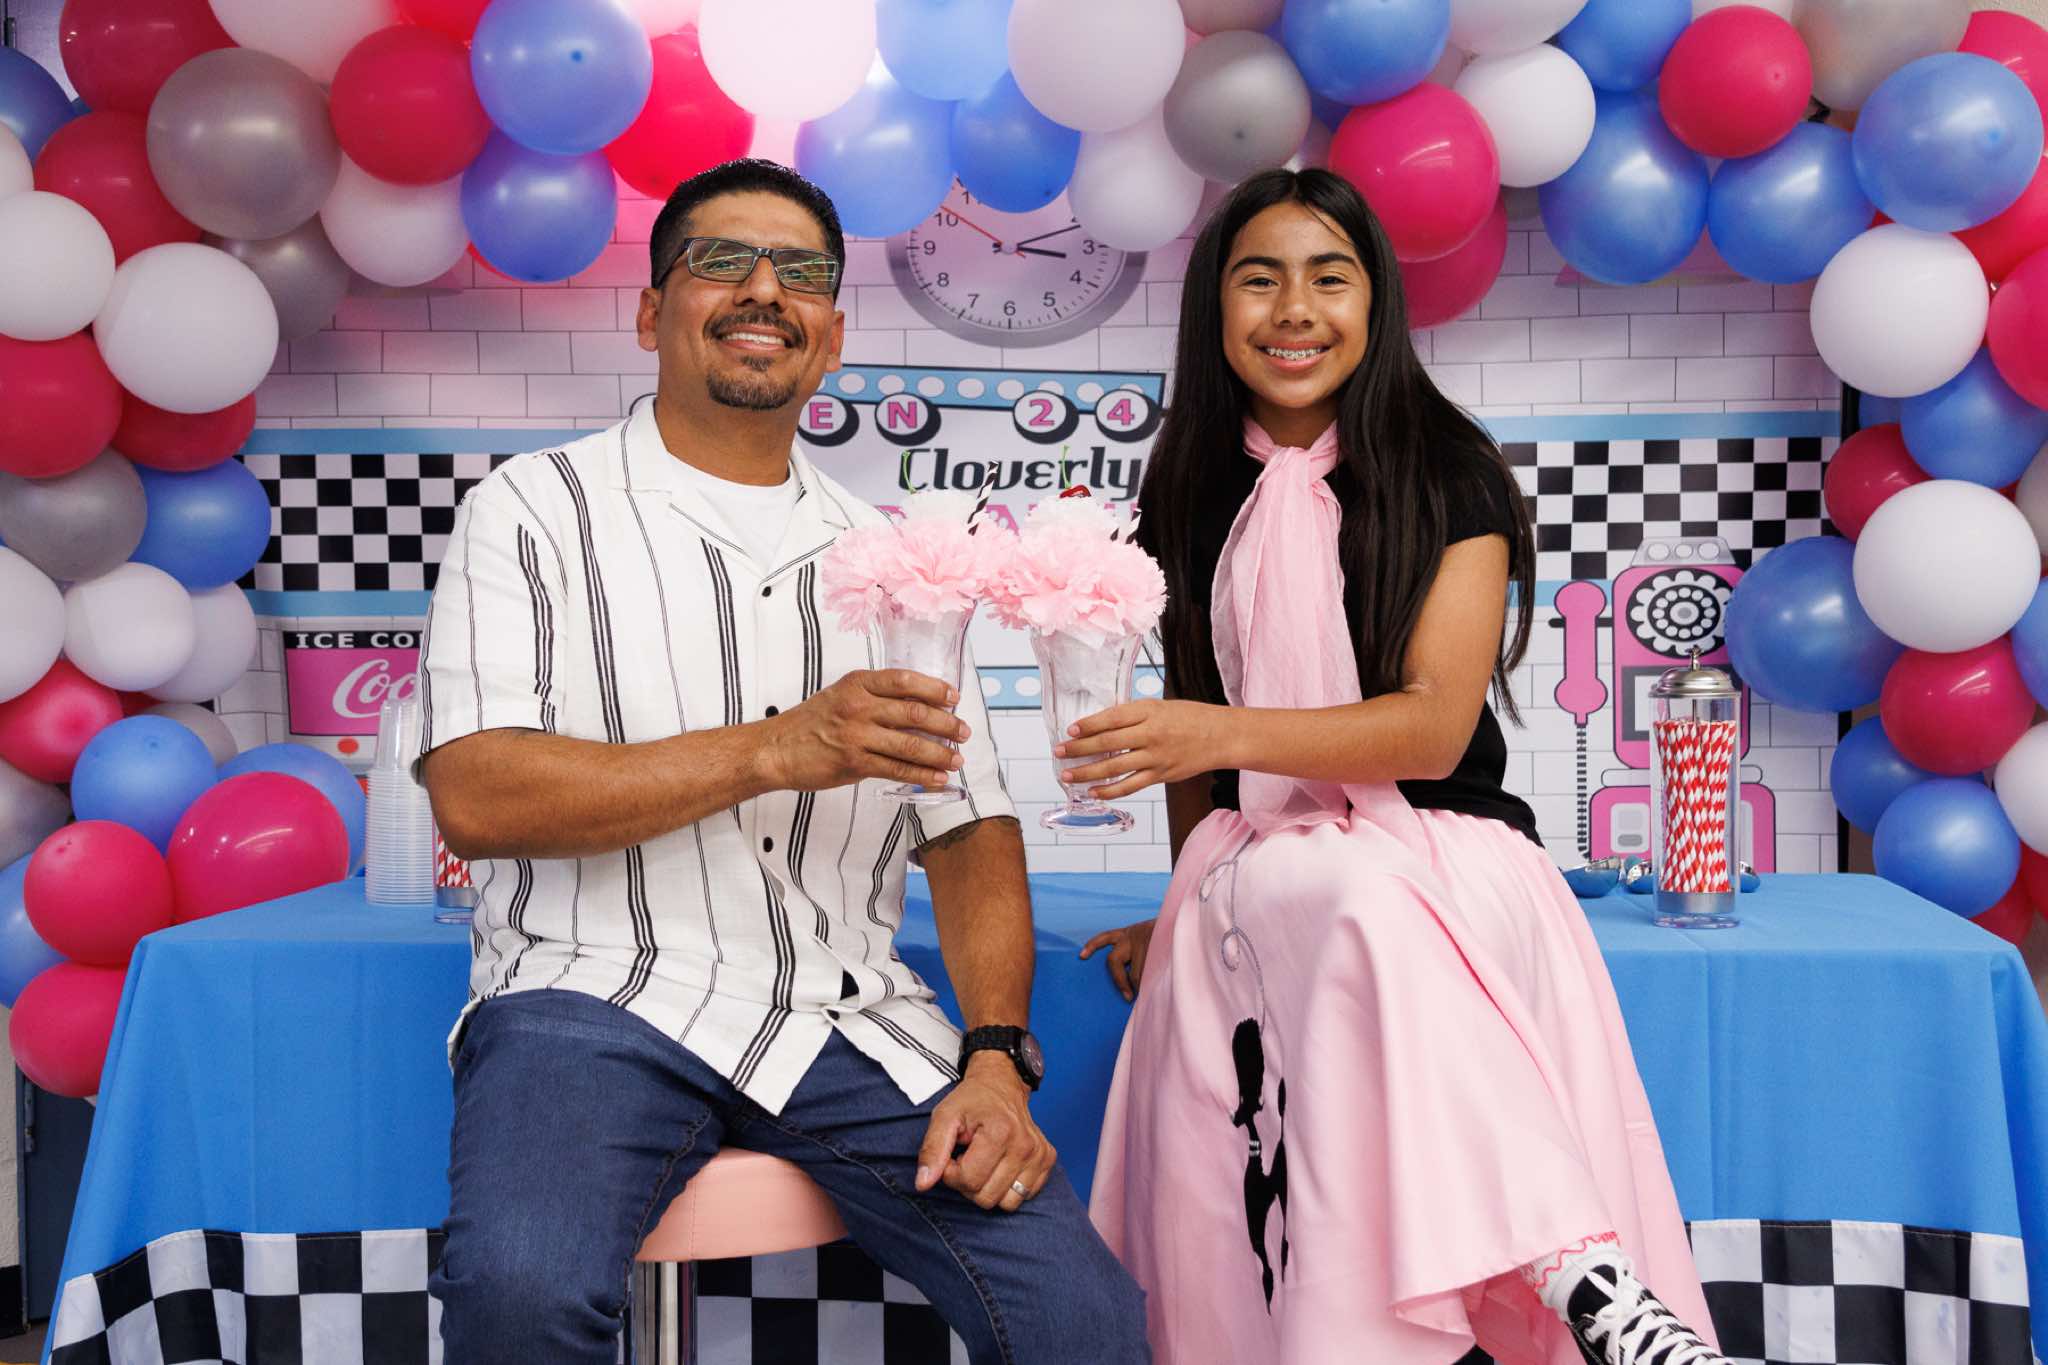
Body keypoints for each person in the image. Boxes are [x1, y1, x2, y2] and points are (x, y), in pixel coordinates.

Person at [417, 158, 1147, 1365]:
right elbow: (478, 796)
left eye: (801, 274)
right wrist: (773, 748)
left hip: (843, 1014)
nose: (764, 290)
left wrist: (994, 1059)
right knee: (517, 1296)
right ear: (650, 310)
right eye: (722, 261)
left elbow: (967, 828)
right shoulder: (534, 509)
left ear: (832, 336)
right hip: (590, 998)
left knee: (1080, 1322)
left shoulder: (893, 560)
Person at [1070, 167, 1728, 1365]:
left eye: (1329, 278)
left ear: (1374, 302)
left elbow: (1427, 729)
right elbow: (1193, 757)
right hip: (1259, 854)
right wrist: (1183, 907)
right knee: (1301, 880)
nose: (1293, 310)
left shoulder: (1448, 467)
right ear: (1213, 308)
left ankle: (1564, 1271)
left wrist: (1215, 736)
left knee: (1353, 892)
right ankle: (1577, 1275)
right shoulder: (1185, 483)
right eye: (1257, 279)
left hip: (1440, 847)